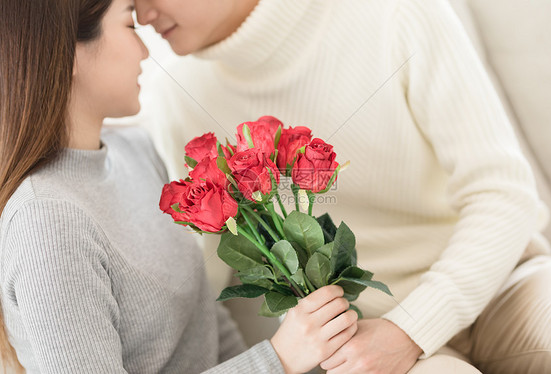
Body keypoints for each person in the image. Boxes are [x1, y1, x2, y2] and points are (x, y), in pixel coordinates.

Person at [133, 0, 551, 373]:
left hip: (505, 288)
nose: (143, 13)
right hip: (364, 344)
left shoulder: (394, 13)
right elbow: (197, 283)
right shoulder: (175, 95)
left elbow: (504, 194)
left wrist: (411, 327)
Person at [0, 0, 359, 373]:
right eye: (130, 27)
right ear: (67, 54)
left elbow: (206, 327)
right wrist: (277, 359)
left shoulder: (136, 152)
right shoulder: (46, 221)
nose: (143, 51)